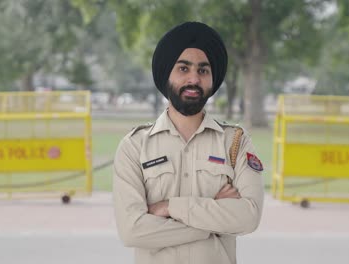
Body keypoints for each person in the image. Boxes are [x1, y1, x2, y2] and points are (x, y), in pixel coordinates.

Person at [113, 21, 264, 264]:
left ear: (212, 79)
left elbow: (249, 218)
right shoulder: (135, 146)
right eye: (183, 69)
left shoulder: (234, 142)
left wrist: (171, 208)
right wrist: (213, 221)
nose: (194, 79)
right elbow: (132, 231)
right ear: (167, 75)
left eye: (203, 70)